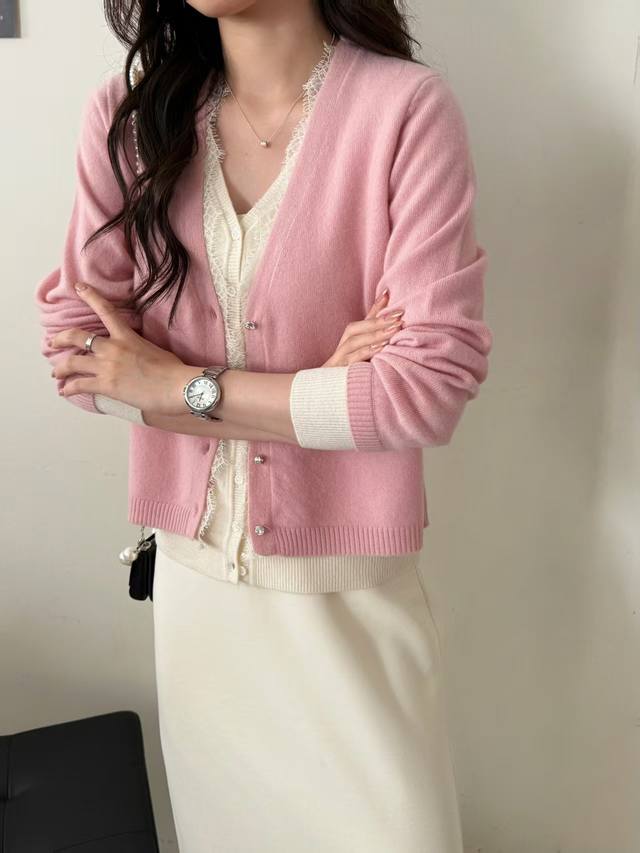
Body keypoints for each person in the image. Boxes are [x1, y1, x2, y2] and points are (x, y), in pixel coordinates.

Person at [35, 1, 493, 850]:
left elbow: (426, 390)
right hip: (200, 614)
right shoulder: (133, 120)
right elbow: (76, 353)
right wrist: (318, 396)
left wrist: (178, 386)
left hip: (350, 615)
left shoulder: (403, 111)